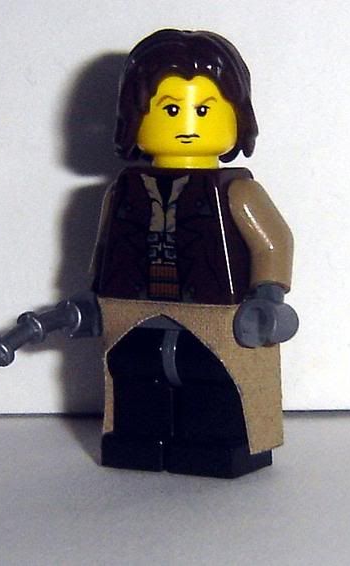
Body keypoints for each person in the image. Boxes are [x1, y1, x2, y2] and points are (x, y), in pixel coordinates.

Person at [93, 29, 297, 478]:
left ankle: (216, 445)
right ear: (133, 117)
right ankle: (137, 439)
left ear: (237, 116)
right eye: (170, 109)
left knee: (212, 376)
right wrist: (92, 297)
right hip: (132, 309)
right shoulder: (123, 192)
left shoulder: (237, 192)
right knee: (134, 371)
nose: (187, 122)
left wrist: (267, 293)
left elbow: (273, 242)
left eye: (204, 109)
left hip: (215, 314)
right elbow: (106, 247)